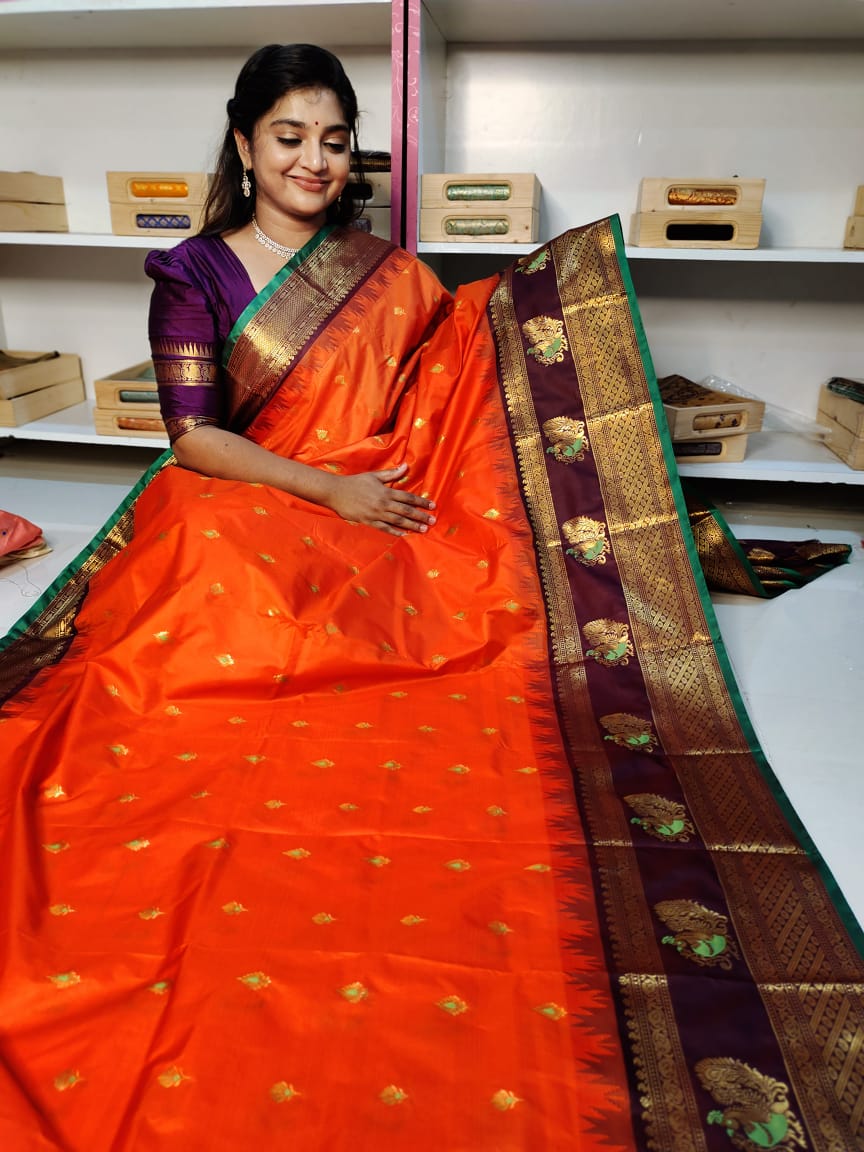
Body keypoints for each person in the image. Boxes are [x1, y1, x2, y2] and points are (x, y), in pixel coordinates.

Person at [0, 43, 861, 1152]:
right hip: (255, 490)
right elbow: (196, 437)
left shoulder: (384, 269)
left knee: (456, 565)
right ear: (245, 144)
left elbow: (454, 370)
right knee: (207, 561)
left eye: (334, 140)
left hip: (373, 481)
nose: (313, 161)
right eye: (289, 138)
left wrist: (548, 303)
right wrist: (327, 489)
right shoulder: (196, 271)